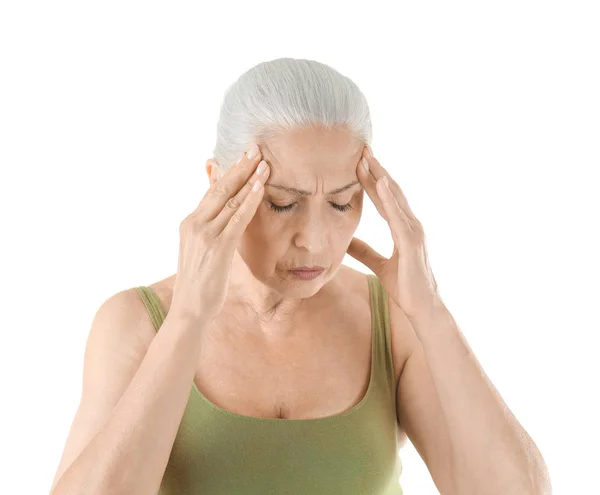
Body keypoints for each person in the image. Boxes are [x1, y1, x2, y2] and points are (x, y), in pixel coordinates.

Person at [49, 58, 419, 495]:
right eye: (282, 203)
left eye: (342, 203)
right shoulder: (135, 321)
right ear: (219, 183)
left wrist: (431, 310)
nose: (315, 242)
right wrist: (188, 319)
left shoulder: (393, 316)